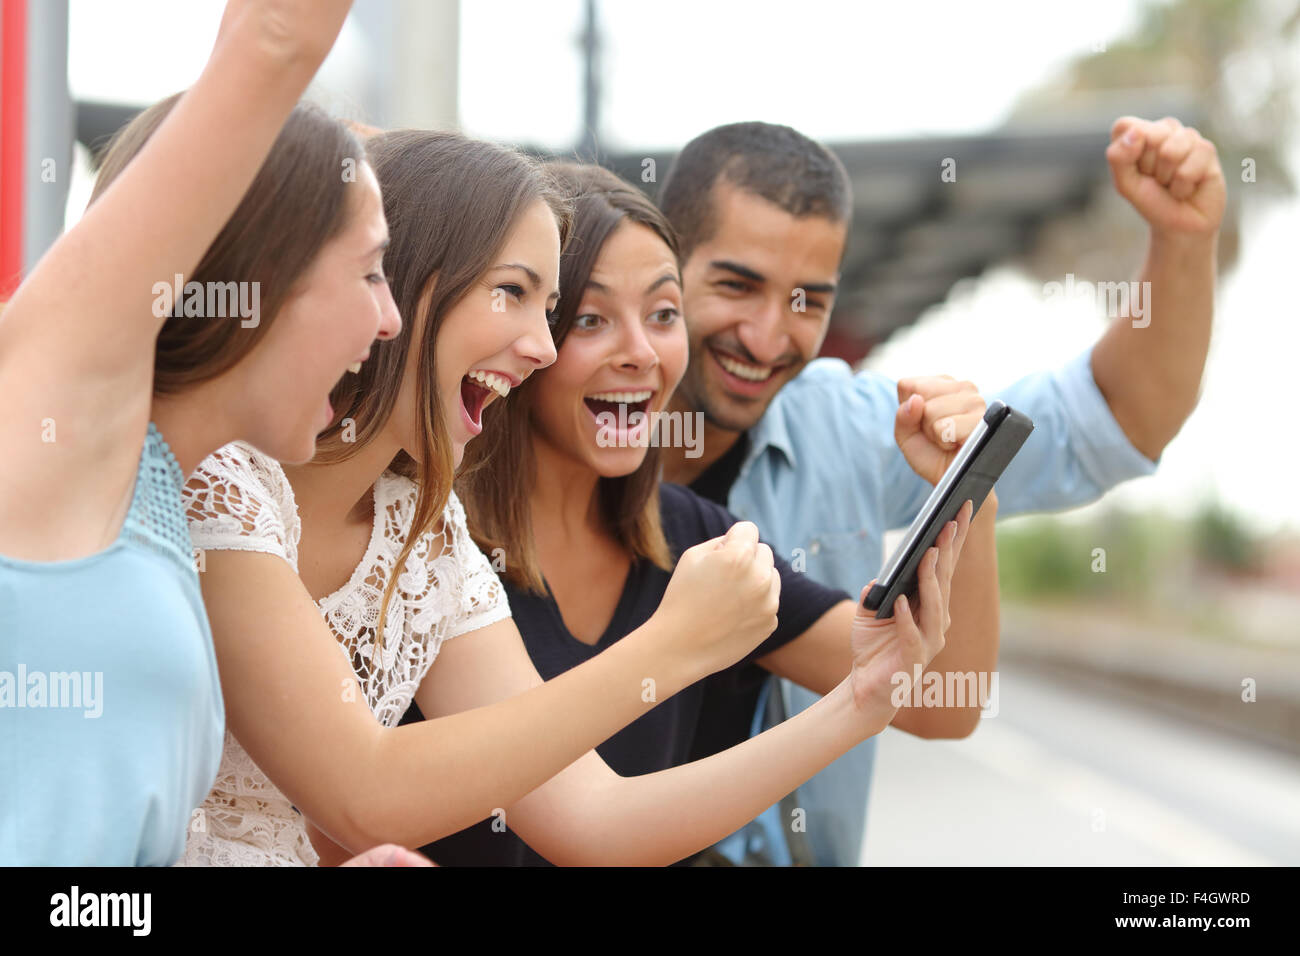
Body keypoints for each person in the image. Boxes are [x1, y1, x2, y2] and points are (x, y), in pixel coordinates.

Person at [108, 124, 967, 867]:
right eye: (516, 295)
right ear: (402, 283)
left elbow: (593, 820)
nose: (543, 347)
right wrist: (672, 648)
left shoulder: (422, 527)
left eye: (550, 307)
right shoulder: (220, 481)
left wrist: (858, 708)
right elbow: (363, 793)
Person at [653, 118, 1225, 865]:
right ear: (662, 266)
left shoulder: (852, 428)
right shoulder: (558, 449)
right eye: (737, 285)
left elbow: (1115, 419)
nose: (767, 338)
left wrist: (1183, 241)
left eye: (807, 302)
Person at [405, 161, 996, 866]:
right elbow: (589, 825)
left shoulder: (694, 539)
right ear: (528, 337)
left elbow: (941, 703)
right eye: (590, 320)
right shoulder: (422, 542)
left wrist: (971, 488)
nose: (642, 353)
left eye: (663, 315)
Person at [0, 0, 401, 864]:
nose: (390, 319)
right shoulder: (60, 427)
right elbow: (273, 38)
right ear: (264, 274)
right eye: (370, 271)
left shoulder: (160, 492)